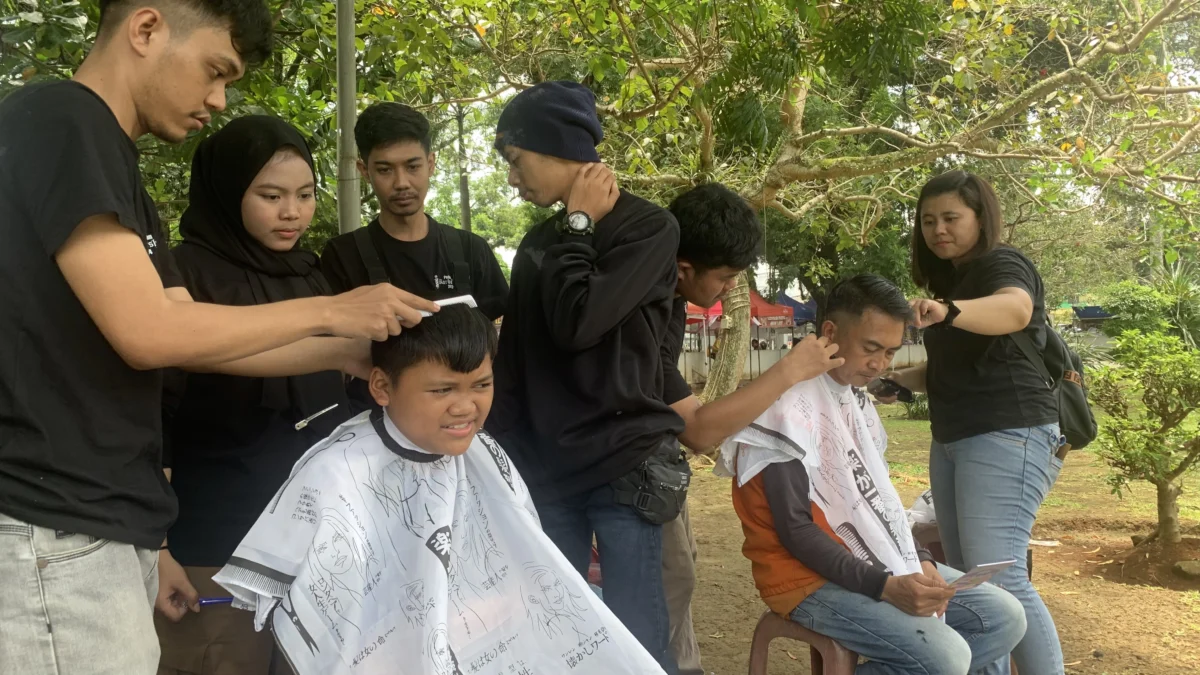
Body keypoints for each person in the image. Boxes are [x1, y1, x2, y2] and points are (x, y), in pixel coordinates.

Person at [0, 3, 435, 673]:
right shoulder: (63, 121)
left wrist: (350, 353)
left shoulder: (114, 162)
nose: (217, 98)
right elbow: (150, 331)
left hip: (103, 529)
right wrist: (331, 310)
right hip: (55, 527)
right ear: (146, 30)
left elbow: (191, 331)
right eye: (215, 70)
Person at [213, 305, 666, 675]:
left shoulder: (483, 453)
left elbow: (516, 561)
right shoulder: (337, 472)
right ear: (381, 386)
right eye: (443, 389)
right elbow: (330, 602)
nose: (466, 406)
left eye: (482, 385)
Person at [720, 275, 1027, 675]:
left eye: (890, 352)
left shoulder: (854, 402)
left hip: (874, 559)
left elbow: (877, 500)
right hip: (802, 579)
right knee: (947, 658)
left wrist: (920, 558)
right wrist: (886, 587)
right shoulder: (786, 405)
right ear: (830, 331)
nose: (880, 364)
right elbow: (795, 531)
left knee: (1004, 617)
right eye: (870, 348)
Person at [484, 80, 683, 672]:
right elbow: (514, 361)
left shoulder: (650, 228)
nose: (513, 179)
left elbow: (581, 322)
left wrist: (578, 225)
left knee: (635, 634)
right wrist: (491, 456)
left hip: (623, 466)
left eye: (517, 162)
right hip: (549, 471)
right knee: (559, 631)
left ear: (556, 147)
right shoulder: (534, 243)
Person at [153, 115, 355, 674]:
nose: (292, 212)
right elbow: (154, 422)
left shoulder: (313, 278)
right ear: (227, 192)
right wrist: (158, 550)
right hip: (212, 545)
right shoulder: (182, 278)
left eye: (305, 194)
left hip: (311, 545)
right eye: (270, 195)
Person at [657, 183, 844, 675]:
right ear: (684, 268)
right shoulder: (648, 312)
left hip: (653, 473)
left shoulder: (668, 305)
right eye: (724, 278)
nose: (725, 290)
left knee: (679, 572)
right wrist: (786, 372)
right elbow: (697, 430)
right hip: (628, 476)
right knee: (669, 579)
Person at [886, 170, 1064, 674]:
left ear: (980, 218)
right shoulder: (950, 283)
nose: (938, 229)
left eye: (950, 218)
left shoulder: (1000, 264)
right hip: (953, 439)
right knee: (971, 583)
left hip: (1009, 433)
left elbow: (1014, 310)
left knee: (1002, 583)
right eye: (927, 221)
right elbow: (947, 369)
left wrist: (948, 310)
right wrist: (893, 380)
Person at [321, 102, 509, 319]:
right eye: (385, 170)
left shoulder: (473, 252)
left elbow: (500, 339)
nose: (401, 183)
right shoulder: (342, 257)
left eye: (412, 167)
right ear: (364, 171)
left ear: (430, 164)